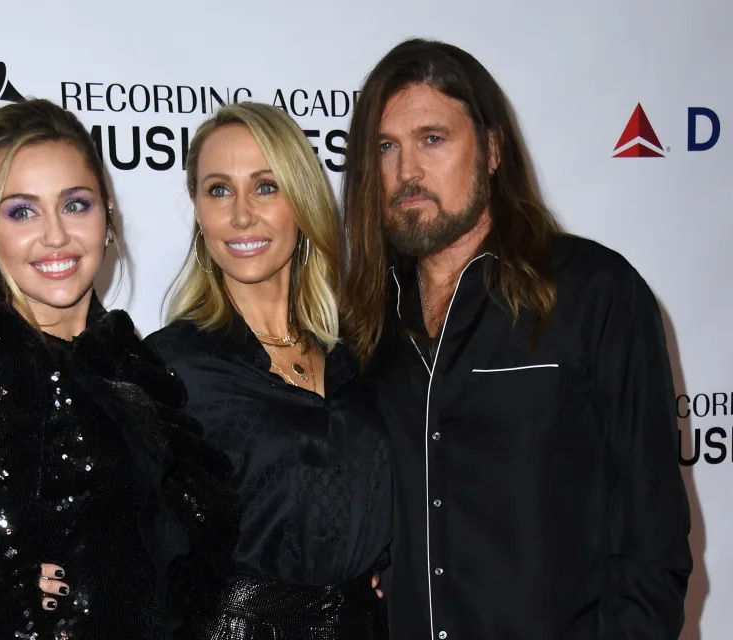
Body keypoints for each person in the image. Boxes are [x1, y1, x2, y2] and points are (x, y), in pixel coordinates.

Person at [340, 38, 692, 639]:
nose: (407, 174)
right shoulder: (364, 325)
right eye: (385, 148)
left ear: (493, 147)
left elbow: (650, 543)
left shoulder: (593, 292)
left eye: (433, 139)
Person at [0, 98, 235, 640]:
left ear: (107, 214)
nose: (55, 236)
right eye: (21, 211)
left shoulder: (125, 356)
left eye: (75, 204)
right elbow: (10, 598)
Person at [142, 102, 393, 638]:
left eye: (265, 186)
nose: (240, 215)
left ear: (300, 200)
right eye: (218, 190)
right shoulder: (169, 368)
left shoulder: (364, 351)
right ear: (196, 209)